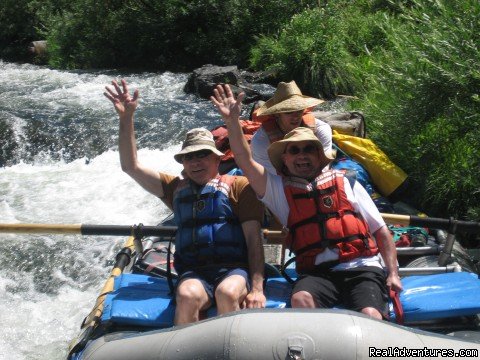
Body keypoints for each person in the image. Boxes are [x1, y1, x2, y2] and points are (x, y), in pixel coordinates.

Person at [211, 84, 402, 320]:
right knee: (301, 299)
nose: (302, 155)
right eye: (294, 151)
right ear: (285, 160)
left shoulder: (347, 183)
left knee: (370, 313)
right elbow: (244, 159)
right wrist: (231, 121)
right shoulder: (279, 190)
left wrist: (393, 273)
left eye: (308, 150)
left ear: (320, 155)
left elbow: (381, 230)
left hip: (361, 267)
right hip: (317, 273)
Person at [104, 79, 266, 325]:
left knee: (227, 292)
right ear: (183, 164)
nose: (195, 162)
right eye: (189, 157)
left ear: (217, 159)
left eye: (202, 155)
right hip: (195, 273)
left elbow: (254, 241)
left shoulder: (239, 187)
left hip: (234, 270)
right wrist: (126, 118)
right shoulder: (175, 189)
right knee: (186, 295)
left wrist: (257, 288)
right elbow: (131, 166)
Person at [250, 81, 332, 175]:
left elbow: (324, 167)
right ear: (277, 114)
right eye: (288, 112)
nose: (296, 116)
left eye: (299, 110)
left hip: (313, 175)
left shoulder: (321, 129)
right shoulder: (261, 141)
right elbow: (268, 177)